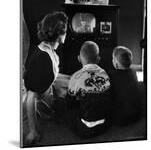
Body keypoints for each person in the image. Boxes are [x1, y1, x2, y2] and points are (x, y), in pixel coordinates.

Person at [24, 11, 68, 144]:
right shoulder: (43, 60)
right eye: (65, 31)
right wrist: (32, 131)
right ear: (59, 35)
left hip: (47, 90)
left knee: (71, 81)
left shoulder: (49, 51)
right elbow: (31, 95)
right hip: (40, 100)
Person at [54, 41, 112, 138]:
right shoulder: (105, 73)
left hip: (84, 129)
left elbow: (69, 103)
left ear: (79, 59)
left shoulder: (76, 76)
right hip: (105, 125)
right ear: (98, 59)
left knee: (59, 104)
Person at [109, 46, 142, 125]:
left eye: (113, 59)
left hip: (120, 119)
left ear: (116, 64)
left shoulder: (112, 75)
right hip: (137, 115)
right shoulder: (134, 73)